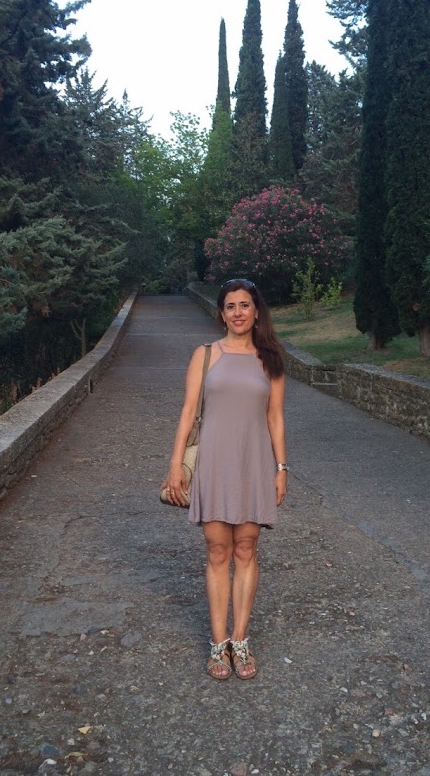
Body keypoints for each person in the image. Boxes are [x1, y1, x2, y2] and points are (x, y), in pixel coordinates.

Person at [164, 278, 287, 680]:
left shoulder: (270, 359)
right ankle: (218, 643)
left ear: (256, 312)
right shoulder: (205, 355)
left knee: (246, 548)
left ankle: (240, 639)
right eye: (230, 306)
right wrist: (175, 464)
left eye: (245, 305)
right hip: (214, 462)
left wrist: (281, 469)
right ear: (221, 314)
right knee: (218, 550)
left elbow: (275, 418)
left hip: (253, 463)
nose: (238, 312)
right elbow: (188, 412)